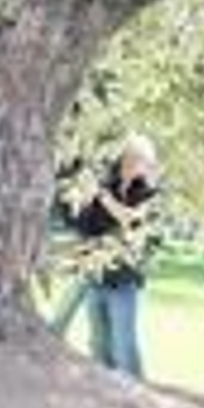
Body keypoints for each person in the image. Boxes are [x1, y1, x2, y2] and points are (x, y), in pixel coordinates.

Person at [73, 135, 161, 378]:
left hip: (125, 281)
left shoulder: (148, 194)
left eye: (148, 163)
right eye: (144, 161)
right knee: (98, 345)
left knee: (124, 347)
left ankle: (136, 393)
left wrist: (102, 197)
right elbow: (83, 227)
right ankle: (103, 395)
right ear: (128, 159)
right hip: (96, 277)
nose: (147, 167)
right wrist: (87, 199)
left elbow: (130, 220)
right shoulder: (105, 187)